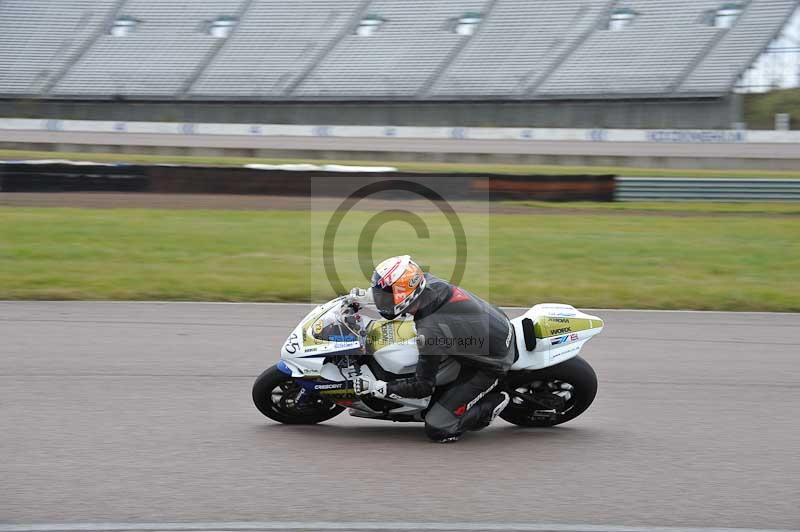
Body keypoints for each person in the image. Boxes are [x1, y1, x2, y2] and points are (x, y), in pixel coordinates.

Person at [351, 255, 514, 442]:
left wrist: (379, 388)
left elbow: (423, 387)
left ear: (404, 296)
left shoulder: (429, 332)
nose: (381, 299)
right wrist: (368, 296)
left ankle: (493, 403)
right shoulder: (426, 281)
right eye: (380, 294)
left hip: (491, 362)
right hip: (491, 327)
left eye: (384, 296)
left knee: (438, 428)